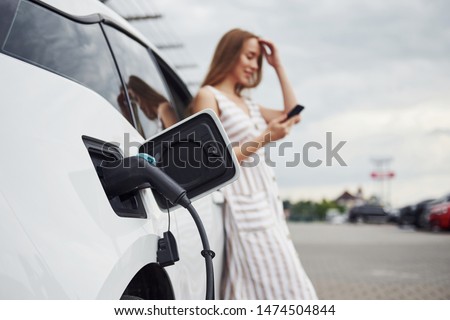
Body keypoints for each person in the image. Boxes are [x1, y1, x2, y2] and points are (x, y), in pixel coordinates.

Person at [190, 28, 318, 299]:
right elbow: (211, 159)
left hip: (267, 205)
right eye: (249, 56)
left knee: (254, 292)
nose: (253, 66)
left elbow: (293, 115)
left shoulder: (248, 103)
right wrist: (265, 138)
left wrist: (278, 65)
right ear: (230, 54)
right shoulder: (209, 95)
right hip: (243, 207)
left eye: (257, 60)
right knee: (293, 292)